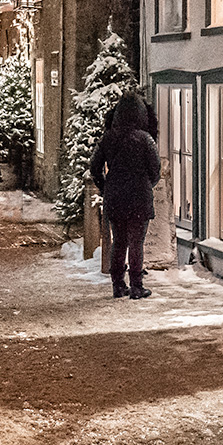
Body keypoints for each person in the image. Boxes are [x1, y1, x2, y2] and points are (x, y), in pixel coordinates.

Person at [89, 94, 161, 300]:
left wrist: (105, 187)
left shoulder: (108, 138)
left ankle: (118, 285)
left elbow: (94, 167)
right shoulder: (145, 139)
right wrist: (146, 184)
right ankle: (137, 286)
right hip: (139, 196)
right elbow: (155, 170)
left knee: (118, 241)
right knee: (136, 242)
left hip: (115, 196)